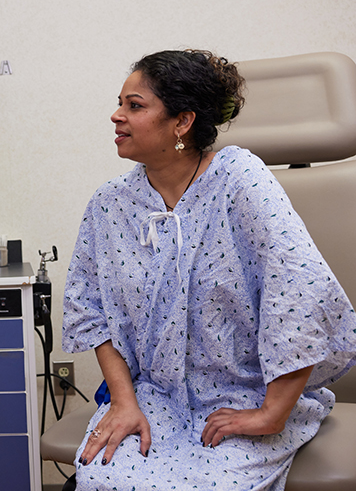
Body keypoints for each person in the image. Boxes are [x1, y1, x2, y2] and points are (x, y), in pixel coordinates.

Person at [61, 49, 356, 490]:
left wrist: (271, 414)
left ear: (182, 122)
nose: (116, 116)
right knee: (105, 480)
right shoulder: (110, 205)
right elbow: (90, 311)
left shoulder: (240, 179)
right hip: (155, 399)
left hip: (245, 394)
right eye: (120, 103)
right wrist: (124, 403)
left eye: (134, 106)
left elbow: (300, 295)